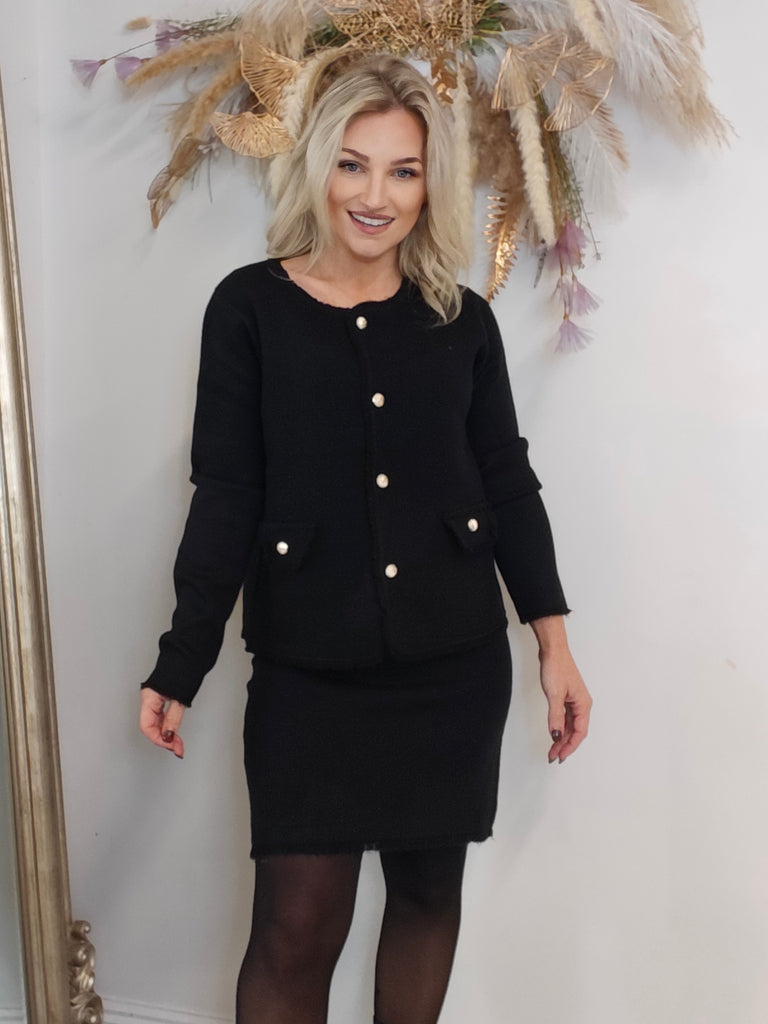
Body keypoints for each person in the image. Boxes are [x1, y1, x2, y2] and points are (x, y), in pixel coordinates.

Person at [139, 53, 592, 1024]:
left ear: (431, 186)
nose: (374, 195)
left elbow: (507, 483)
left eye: (402, 170)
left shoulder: (461, 322)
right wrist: (180, 663)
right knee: (294, 931)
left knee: (427, 898)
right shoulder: (249, 311)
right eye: (353, 165)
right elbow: (226, 497)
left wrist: (554, 644)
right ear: (317, 167)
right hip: (309, 674)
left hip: (452, 668)